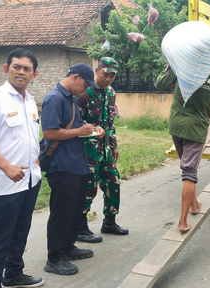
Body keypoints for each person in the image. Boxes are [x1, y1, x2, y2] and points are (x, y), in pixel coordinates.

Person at [0, 48, 44, 288]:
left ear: (34, 74)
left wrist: (35, 163)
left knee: (21, 232)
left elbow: (31, 137)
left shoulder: (31, 101)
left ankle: (13, 274)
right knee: (1, 238)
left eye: (27, 69)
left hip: (30, 180)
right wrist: (6, 167)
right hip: (4, 184)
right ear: (6, 69)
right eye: (17, 67)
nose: (21, 72)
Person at [155, 51, 210, 233]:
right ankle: (182, 221)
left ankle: (194, 204)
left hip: (176, 126)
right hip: (195, 130)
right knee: (189, 173)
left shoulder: (184, 69)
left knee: (187, 167)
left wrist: (171, 64)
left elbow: (159, 83)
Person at [41, 63, 104, 275]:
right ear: (75, 77)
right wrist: (79, 131)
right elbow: (49, 132)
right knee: (61, 212)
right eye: (85, 85)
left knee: (74, 210)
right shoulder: (55, 98)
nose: (85, 90)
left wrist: (92, 130)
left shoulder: (70, 100)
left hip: (76, 164)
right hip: (62, 165)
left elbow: (77, 127)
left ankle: (68, 247)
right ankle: (55, 257)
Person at [75, 57, 129, 243]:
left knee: (113, 183)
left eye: (112, 76)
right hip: (88, 151)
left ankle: (109, 222)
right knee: (89, 188)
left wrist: (113, 146)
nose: (108, 79)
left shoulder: (111, 93)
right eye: (106, 74)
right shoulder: (84, 93)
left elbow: (110, 123)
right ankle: (80, 228)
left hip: (105, 150)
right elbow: (75, 122)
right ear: (97, 70)